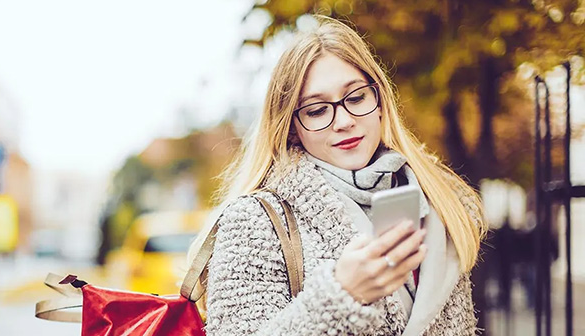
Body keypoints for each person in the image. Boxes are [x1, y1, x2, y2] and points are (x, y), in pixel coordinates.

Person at [188, 16, 486, 336]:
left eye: (356, 97)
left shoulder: (441, 204)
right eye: (316, 110)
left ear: (380, 101)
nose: (343, 121)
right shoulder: (254, 219)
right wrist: (341, 295)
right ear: (292, 128)